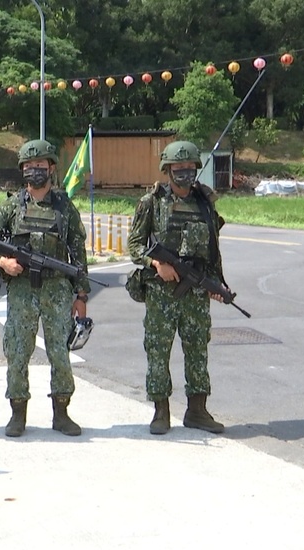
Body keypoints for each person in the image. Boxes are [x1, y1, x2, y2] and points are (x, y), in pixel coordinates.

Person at [0, 139, 91, 437]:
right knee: (18, 350)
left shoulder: (65, 207)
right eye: (28, 167)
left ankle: (62, 413)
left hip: (57, 291)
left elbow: (78, 254)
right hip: (22, 290)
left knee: (59, 352)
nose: (34, 171)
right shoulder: (12, 206)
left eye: (40, 166)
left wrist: (81, 295)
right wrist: (3, 262)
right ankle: (18, 414)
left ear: (52, 168)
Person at [127, 140, 228, 435]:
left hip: (195, 292)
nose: (184, 173)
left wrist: (216, 282)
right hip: (162, 292)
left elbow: (213, 249)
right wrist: (157, 264)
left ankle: (197, 410)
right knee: (158, 349)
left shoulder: (205, 203)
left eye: (189, 168)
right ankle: (161, 411)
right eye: (178, 168)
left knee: (197, 349)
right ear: (167, 170)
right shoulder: (152, 202)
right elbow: (134, 245)